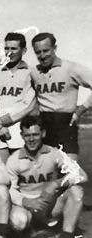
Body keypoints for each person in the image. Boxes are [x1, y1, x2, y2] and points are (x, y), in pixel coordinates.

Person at [7, 116, 88, 238]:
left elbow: (82, 175)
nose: (31, 139)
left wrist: (56, 183)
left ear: (43, 134)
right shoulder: (14, 159)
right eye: (27, 135)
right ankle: (28, 232)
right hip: (27, 206)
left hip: (50, 203)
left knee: (76, 192)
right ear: (22, 136)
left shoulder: (54, 153)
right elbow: (10, 189)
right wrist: (26, 201)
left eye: (35, 134)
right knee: (18, 222)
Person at [30, 32, 92, 161]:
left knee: (69, 171)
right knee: (46, 170)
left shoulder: (71, 68)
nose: (42, 56)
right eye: (38, 52)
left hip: (66, 123)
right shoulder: (34, 71)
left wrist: (81, 110)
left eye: (46, 50)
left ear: (55, 48)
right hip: (44, 124)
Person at [0, 32, 37, 162]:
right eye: (7, 48)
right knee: (2, 172)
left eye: (14, 48)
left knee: (22, 171)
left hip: (20, 128)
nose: (9, 52)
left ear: (24, 50)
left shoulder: (31, 72)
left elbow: (29, 104)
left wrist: (2, 121)